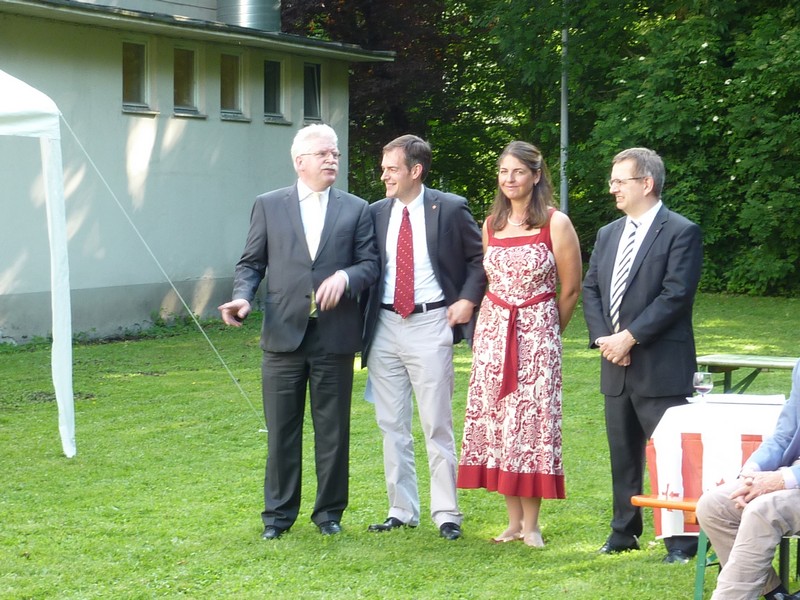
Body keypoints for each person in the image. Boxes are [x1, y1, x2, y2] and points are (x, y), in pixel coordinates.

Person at [218, 123, 379, 540]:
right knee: (282, 431)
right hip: (283, 336)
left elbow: (370, 264)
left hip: (335, 336)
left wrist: (345, 277)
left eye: (336, 154)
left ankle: (328, 514)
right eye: (324, 153)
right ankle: (277, 517)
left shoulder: (357, 208)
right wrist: (243, 297)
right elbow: (251, 262)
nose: (332, 160)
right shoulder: (269, 205)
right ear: (300, 161)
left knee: (333, 431)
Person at [457, 141, 582, 547]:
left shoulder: (555, 223)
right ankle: (512, 523)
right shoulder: (491, 224)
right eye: (504, 172)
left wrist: (546, 332)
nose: (510, 179)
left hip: (537, 334)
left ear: (536, 175)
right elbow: (490, 281)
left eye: (518, 172)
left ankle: (533, 524)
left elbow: (571, 288)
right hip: (493, 333)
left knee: (531, 427)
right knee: (498, 426)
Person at [361, 134, 485, 541]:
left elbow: (479, 260)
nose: (384, 177)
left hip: (432, 325)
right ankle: (401, 509)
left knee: (436, 423)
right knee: (390, 424)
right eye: (384, 169)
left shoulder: (449, 208)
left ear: (416, 170)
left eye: (392, 169)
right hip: (383, 327)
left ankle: (446, 512)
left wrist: (467, 300)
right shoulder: (376, 213)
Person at [582, 147, 703, 562]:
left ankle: (681, 540)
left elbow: (676, 296)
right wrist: (604, 340)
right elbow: (592, 288)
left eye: (620, 180)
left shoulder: (681, 231)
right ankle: (623, 532)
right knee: (622, 453)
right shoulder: (607, 234)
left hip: (659, 365)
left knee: (669, 455)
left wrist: (629, 338)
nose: (612, 187)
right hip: (615, 364)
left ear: (646, 184)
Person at [696, 360, 800, 600]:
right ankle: (775, 595)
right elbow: (784, 434)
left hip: (791, 479)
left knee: (763, 509)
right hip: (790, 475)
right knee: (714, 504)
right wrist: (751, 472)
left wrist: (783, 479)